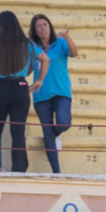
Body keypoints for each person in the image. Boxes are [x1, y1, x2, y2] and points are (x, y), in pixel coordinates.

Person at [0, 11, 49, 173]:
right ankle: (19, 170)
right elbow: (45, 59)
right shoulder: (27, 44)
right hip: (20, 87)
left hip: (0, 88)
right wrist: (39, 80)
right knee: (18, 133)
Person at [28, 13, 78, 174]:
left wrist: (68, 38)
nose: (42, 29)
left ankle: (54, 134)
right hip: (41, 95)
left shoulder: (61, 43)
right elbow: (28, 68)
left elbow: (75, 53)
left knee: (64, 122)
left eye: (45, 25)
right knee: (47, 133)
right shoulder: (33, 48)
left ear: (50, 26)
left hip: (61, 91)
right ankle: (57, 173)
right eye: (39, 27)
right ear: (35, 31)